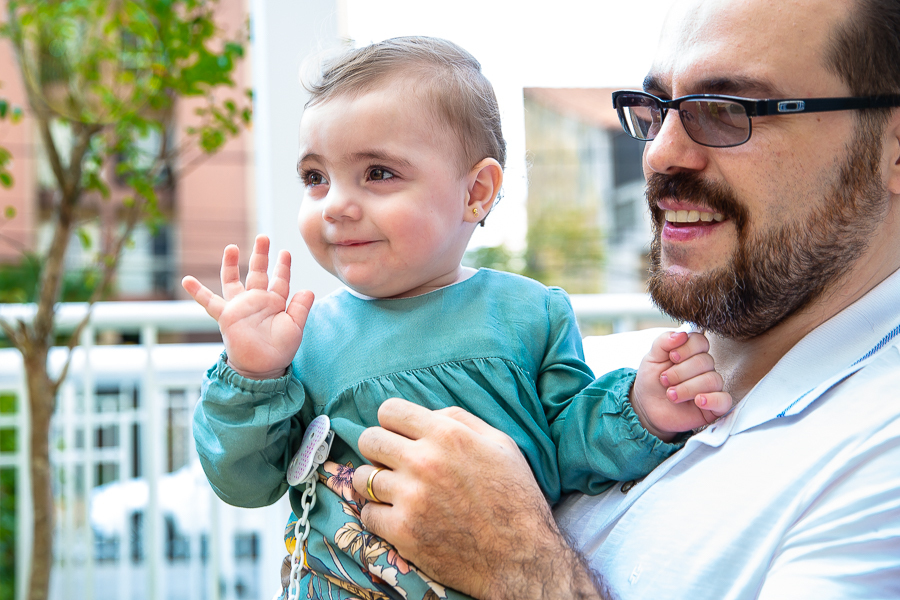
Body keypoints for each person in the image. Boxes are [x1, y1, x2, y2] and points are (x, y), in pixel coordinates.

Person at [345, 0, 900, 598]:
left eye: (726, 109)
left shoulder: (878, 454)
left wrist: (516, 565)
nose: (660, 153)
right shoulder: (597, 378)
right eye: (657, 108)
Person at [183, 37, 731, 600]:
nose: (335, 204)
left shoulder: (528, 314)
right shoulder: (305, 340)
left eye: (377, 173)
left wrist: (642, 407)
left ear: (476, 191)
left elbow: (568, 446)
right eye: (315, 177)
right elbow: (244, 482)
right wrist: (252, 375)